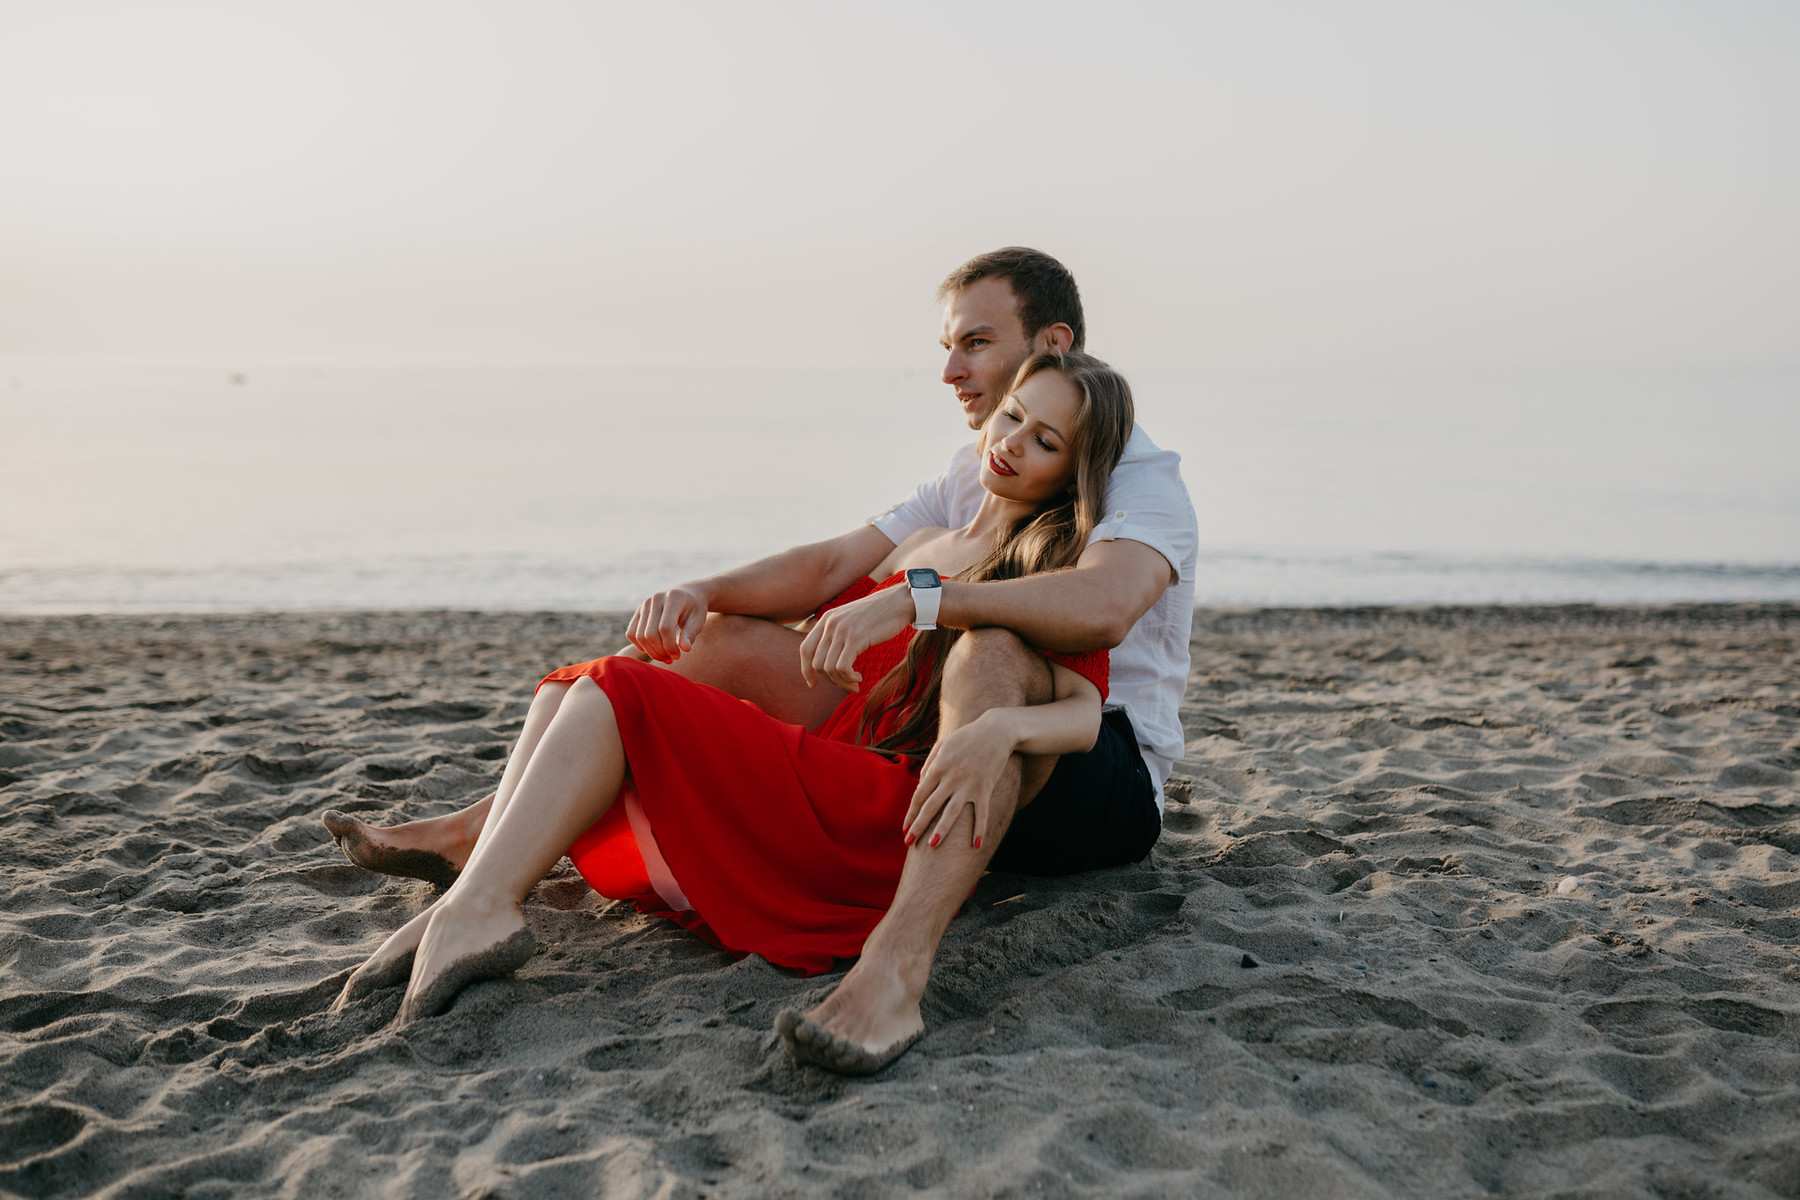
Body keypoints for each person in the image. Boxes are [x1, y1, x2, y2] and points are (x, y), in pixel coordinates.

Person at [323, 247, 1198, 1068]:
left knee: (991, 648)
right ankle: (483, 859)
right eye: (951, 348)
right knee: (674, 653)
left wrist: (927, 605)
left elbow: (1103, 608)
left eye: (978, 343)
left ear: (1053, 343)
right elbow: (826, 568)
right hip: (903, 729)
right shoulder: (968, 480)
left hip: (1090, 768)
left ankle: (895, 972)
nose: (953, 372)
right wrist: (705, 590)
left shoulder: (1128, 472)